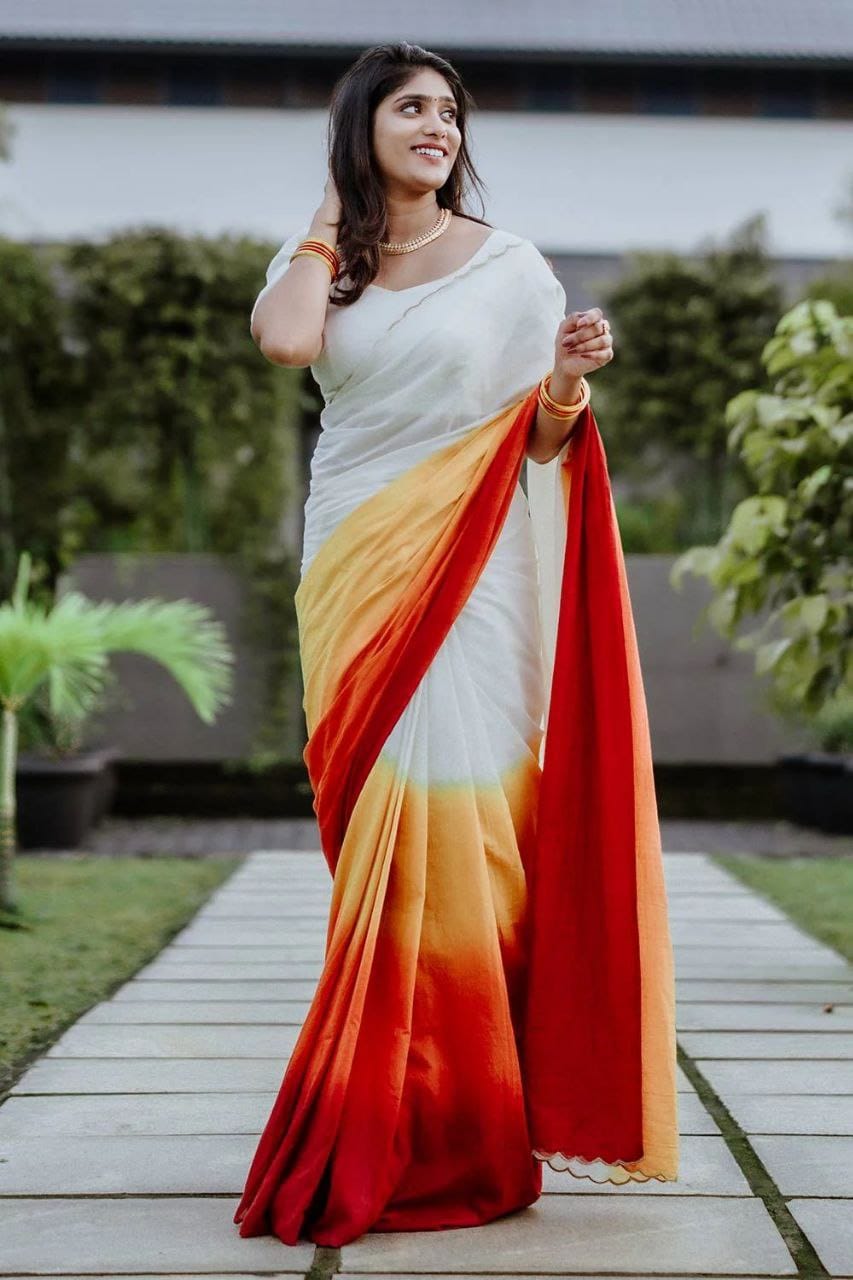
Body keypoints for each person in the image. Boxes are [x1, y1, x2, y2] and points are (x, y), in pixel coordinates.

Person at [233, 41, 679, 1249]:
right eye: (410, 107)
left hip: (471, 575)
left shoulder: (511, 265)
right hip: (356, 568)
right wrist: (332, 212)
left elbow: (535, 447)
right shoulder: (324, 262)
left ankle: (460, 1112)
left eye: (449, 111)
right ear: (360, 126)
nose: (437, 124)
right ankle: (388, 1095)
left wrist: (568, 388)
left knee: (471, 831)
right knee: (378, 822)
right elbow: (283, 344)